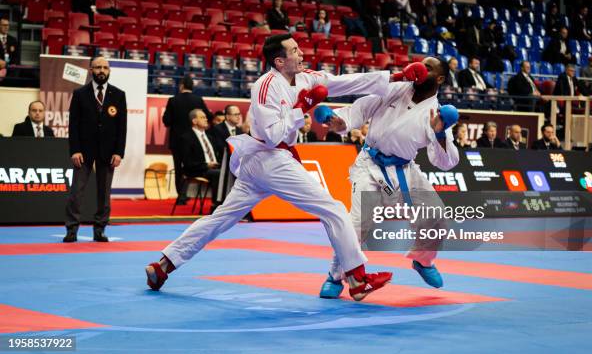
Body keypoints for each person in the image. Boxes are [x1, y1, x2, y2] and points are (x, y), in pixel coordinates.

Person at [145, 33, 401, 300]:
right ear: (280, 61)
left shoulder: (305, 77)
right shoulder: (265, 86)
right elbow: (271, 135)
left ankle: (163, 266)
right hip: (269, 157)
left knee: (220, 219)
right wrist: (301, 108)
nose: (301, 54)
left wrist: (394, 77)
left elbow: (344, 82)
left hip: (265, 163)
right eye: (295, 51)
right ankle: (357, 279)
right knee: (333, 209)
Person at [316, 56, 459, 297]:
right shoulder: (393, 88)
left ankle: (423, 261)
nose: (422, 70)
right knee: (356, 223)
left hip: (405, 170)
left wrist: (440, 133)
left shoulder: (436, 114)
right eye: (421, 65)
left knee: (436, 218)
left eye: (429, 68)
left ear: (441, 79)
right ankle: (336, 276)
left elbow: (445, 162)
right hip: (369, 165)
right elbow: (360, 109)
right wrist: (339, 121)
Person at [64, 57, 127, 243]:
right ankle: (72, 229)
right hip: (83, 151)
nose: (101, 70)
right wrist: (74, 150)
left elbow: (121, 127)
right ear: (91, 70)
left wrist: (119, 152)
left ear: (109, 71)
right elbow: (73, 125)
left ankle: (100, 229)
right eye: (98, 67)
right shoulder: (80, 94)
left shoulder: (118, 95)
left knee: (104, 193)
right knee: (77, 191)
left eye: (105, 67)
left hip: (108, 153)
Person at [163, 76, 212, 204]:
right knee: (193, 165)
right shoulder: (198, 100)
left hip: (177, 141)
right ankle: (191, 194)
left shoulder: (173, 100)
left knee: (179, 168)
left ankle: (181, 196)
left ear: (181, 86)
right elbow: (209, 116)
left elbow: (166, 121)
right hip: (194, 141)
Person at [179, 109, 221, 206]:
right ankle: (216, 205)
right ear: (194, 121)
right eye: (202, 117)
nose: (206, 119)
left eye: (206, 117)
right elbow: (187, 163)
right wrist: (207, 165)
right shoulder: (186, 138)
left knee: (233, 172)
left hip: (214, 167)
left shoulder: (210, 137)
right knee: (219, 174)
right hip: (198, 169)